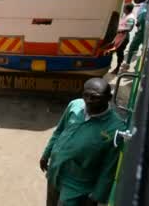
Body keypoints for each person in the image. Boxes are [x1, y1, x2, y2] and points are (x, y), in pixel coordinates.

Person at [40, 78, 124, 206]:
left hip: (78, 186)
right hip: (56, 171)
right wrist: (46, 154)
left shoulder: (116, 128)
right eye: (86, 95)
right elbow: (59, 131)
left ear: (109, 98)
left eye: (95, 97)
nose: (89, 101)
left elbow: (109, 166)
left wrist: (97, 195)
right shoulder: (75, 106)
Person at [110, 3, 136, 74]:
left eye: (124, 8)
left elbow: (129, 28)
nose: (123, 9)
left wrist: (120, 30)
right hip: (118, 37)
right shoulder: (126, 15)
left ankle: (117, 68)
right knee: (111, 51)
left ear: (127, 9)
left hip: (123, 38)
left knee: (119, 53)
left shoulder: (130, 18)